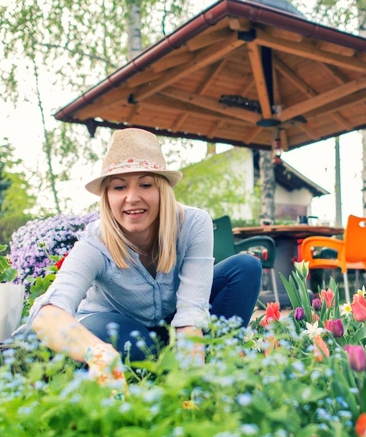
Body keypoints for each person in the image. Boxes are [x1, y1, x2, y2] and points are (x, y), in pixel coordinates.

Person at [24, 128, 262, 381]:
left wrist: (193, 385)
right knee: (137, 345)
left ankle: (217, 367)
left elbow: (191, 313)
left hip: (167, 323)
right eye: (119, 187)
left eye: (146, 184)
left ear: (162, 190)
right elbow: (47, 313)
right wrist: (97, 353)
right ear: (107, 196)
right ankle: (142, 365)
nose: (132, 198)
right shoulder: (95, 242)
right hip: (110, 324)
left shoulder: (192, 224)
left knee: (245, 267)